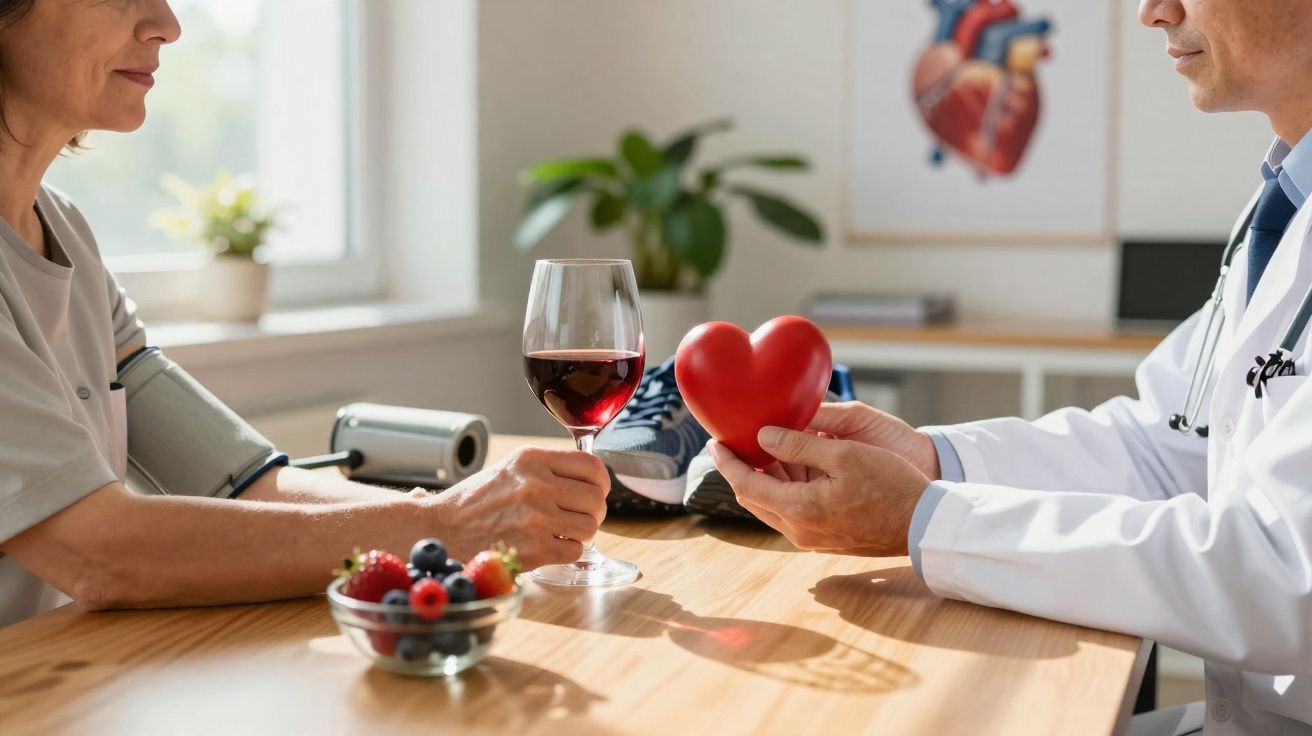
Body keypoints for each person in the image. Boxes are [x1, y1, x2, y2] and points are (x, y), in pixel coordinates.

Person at [710, 1, 1312, 734]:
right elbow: (1166, 447)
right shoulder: (1282, 202)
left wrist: (926, 520)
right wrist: (934, 461)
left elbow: (1286, 578)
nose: (1155, 12)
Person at [0, 0, 608, 629]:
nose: (168, 24)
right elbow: (98, 552)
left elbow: (241, 481)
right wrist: (445, 527)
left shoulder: (67, 231)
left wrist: (456, 517)